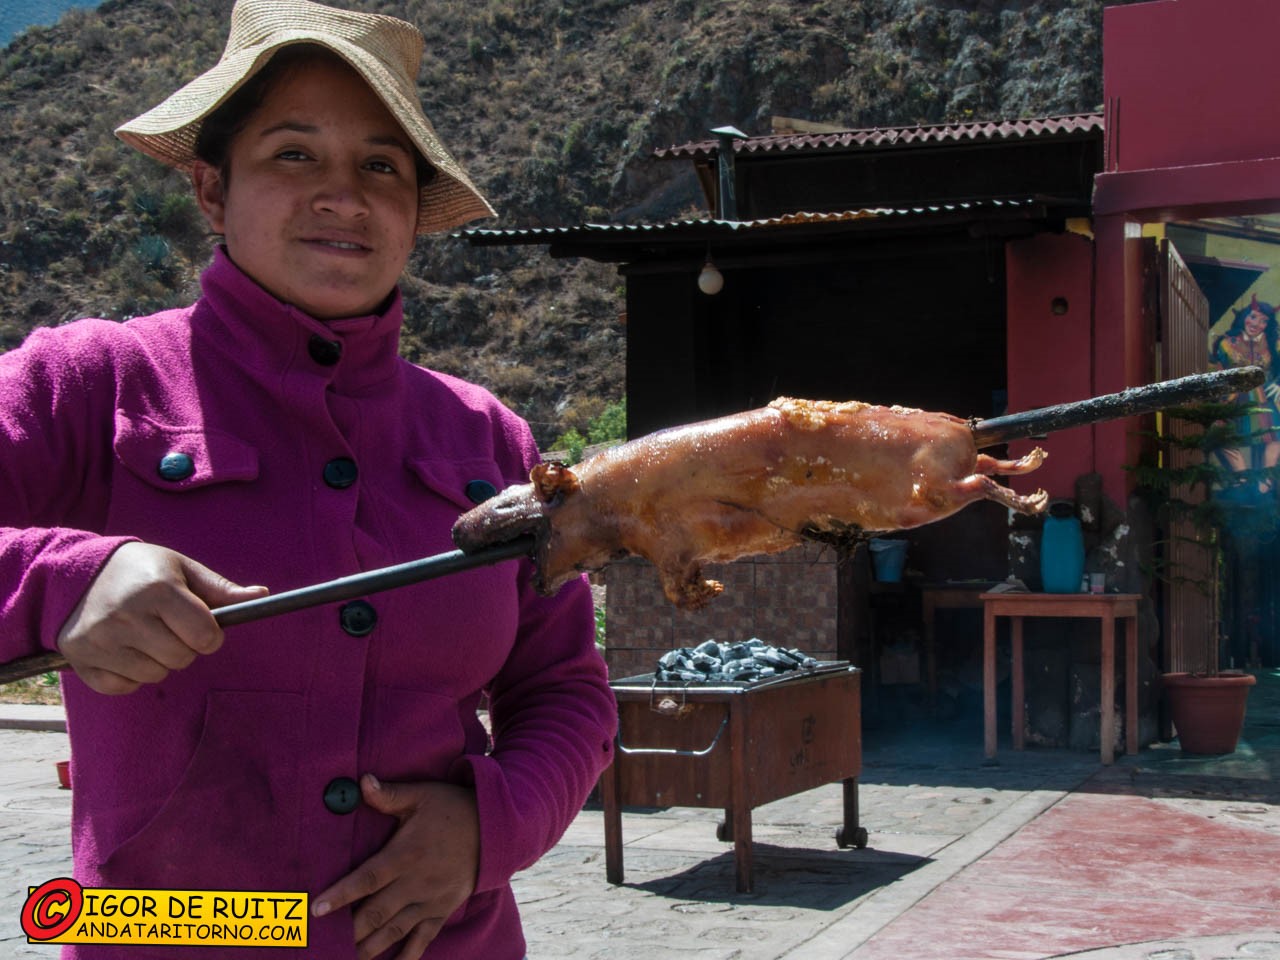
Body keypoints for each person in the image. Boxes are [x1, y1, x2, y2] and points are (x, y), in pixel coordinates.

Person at [0, 1, 617, 957]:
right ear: (212, 190)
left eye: (381, 165)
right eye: (294, 155)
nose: (344, 195)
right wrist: (61, 583)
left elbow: (568, 691)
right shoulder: (87, 384)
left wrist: (490, 829)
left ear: (413, 208)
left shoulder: (488, 437)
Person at [1209, 293, 1280, 492]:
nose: (1257, 323)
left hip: (1262, 400)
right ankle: (1242, 479)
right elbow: (1218, 369)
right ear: (1244, 316)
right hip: (1233, 398)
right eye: (1253, 316)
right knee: (1220, 436)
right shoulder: (1226, 342)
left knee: (1276, 439)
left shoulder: (1274, 343)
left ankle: (1263, 486)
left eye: (1264, 320)